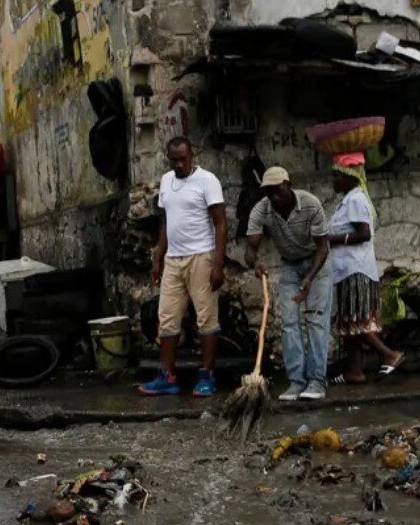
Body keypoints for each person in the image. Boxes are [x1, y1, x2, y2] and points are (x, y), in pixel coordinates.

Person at [139, 136, 226, 397]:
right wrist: (158, 257)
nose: (179, 164)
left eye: (183, 159)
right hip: (173, 259)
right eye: (174, 160)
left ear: (192, 155)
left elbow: (220, 223)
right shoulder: (166, 181)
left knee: (206, 318)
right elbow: (166, 221)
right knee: (166, 318)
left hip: (201, 256)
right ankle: (167, 376)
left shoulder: (208, 181)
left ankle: (207, 375)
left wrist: (217, 264)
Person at [244, 166, 331, 401]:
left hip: (317, 265)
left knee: (315, 320)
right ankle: (296, 381)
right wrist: (256, 264)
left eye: (277, 190)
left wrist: (310, 277)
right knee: (289, 322)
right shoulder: (261, 209)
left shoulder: (311, 204)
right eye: (269, 191)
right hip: (290, 266)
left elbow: (323, 246)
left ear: (289, 185)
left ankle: (317, 381)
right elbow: (250, 249)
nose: (274, 196)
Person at [326, 153, 403, 383]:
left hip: (355, 271)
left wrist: (332, 239)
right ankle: (355, 371)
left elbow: (364, 234)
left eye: (337, 176)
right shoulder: (349, 199)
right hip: (347, 270)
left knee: (356, 322)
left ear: (350, 178)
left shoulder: (356, 200)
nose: (334, 181)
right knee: (350, 323)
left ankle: (390, 354)